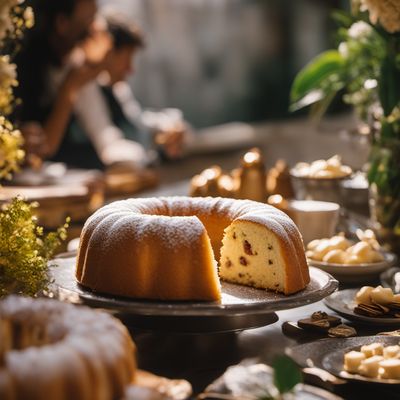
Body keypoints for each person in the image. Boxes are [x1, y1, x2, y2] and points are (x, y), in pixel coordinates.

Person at [69, 11, 188, 171]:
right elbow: (108, 144)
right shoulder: (85, 87)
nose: (130, 69)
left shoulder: (117, 87)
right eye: (126, 59)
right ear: (109, 53)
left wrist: (167, 126)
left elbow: (136, 122)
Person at [14, 0, 112, 168]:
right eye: (90, 20)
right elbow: (43, 147)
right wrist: (72, 84)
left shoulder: (78, 63)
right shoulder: (25, 68)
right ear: (62, 23)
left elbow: (105, 136)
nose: (97, 30)